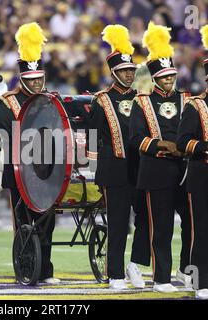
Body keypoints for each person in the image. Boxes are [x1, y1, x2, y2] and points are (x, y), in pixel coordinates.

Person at [0, 22, 59, 284]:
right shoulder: (6, 103)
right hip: (20, 172)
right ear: (22, 78)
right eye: (31, 80)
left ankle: (45, 271)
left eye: (38, 79)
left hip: (48, 172)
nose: (36, 84)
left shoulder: (51, 100)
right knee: (23, 222)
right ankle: (25, 269)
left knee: (48, 224)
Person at [129, 22, 192, 292]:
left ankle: (187, 269)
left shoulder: (188, 99)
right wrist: (163, 146)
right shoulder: (141, 102)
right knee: (162, 226)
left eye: (172, 75)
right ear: (155, 78)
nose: (169, 79)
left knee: (192, 223)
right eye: (164, 76)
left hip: (185, 170)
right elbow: (135, 139)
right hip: (156, 169)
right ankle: (161, 279)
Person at [88, 24, 147, 290]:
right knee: (119, 222)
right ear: (114, 73)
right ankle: (115, 274)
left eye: (131, 70)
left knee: (146, 218)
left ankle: (135, 264)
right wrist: (91, 168)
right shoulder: (101, 100)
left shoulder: (142, 98)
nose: (128, 74)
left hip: (142, 168)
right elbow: (91, 135)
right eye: (123, 70)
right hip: (114, 170)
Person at [176, 25, 208, 300]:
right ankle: (202, 282)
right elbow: (183, 142)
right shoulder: (196, 106)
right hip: (201, 175)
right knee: (202, 228)